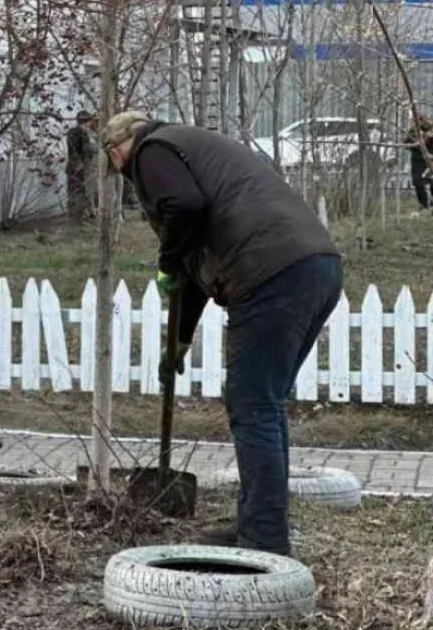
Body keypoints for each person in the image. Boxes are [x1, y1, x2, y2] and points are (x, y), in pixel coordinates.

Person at [101, 111, 343, 557]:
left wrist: (165, 263)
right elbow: (194, 269)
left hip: (270, 271)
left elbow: (183, 207)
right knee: (265, 405)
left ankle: (265, 539)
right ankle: (260, 522)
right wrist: (180, 341)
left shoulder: (153, 150)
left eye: (113, 158)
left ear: (120, 148)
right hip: (316, 266)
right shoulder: (193, 151)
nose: (119, 171)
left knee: (252, 406)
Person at [66, 110, 98, 218]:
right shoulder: (79, 133)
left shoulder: (75, 132)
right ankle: (81, 213)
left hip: (77, 166)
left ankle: (81, 212)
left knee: (79, 191)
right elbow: (83, 150)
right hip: (79, 166)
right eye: (89, 121)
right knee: (80, 190)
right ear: (86, 122)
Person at [404, 115, 433, 209]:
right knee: (418, 182)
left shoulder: (431, 130)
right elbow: (406, 144)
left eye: (423, 120)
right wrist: (415, 144)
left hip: (430, 159)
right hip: (417, 161)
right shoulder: (413, 131)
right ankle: (424, 204)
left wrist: (430, 139)